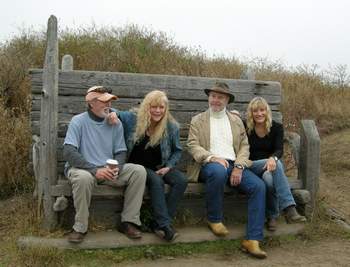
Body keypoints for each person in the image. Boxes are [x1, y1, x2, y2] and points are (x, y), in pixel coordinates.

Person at [186, 82, 267, 259]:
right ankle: (214, 218)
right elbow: (192, 145)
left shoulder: (236, 121)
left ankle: (252, 240)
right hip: (208, 164)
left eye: (220, 97)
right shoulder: (198, 120)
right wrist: (212, 157)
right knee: (218, 171)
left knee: (259, 186)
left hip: (234, 165)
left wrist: (239, 166)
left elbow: (245, 147)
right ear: (209, 98)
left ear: (227, 100)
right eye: (213, 96)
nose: (216, 100)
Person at [63, 85, 147, 243]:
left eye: (110, 101)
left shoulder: (115, 122)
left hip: (108, 170)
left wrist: (117, 168)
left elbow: (121, 152)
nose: (109, 105)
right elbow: (69, 152)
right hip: (84, 170)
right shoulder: (78, 121)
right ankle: (80, 226)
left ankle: (128, 222)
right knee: (82, 178)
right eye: (104, 102)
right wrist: (95, 170)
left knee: (139, 171)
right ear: (91, 103)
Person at [114, 90, 188, 242]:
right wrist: (113, 115)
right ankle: (165, 226)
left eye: (161, 107)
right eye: (153, 107)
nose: (158, 111)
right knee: (156, 181)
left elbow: (177, 151)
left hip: (160, 166)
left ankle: (158, 221)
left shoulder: (171, 126)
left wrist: (168, 166)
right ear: (146, 107)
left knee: (181, 180)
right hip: (137, 168)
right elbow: (114, 111)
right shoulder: (133, 119)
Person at [245, 96, 306, 231]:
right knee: (276, 165)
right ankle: (289, 209)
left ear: (267, 111)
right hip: (252, 166)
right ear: (251, 113)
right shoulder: (246, 127)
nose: (259, 114)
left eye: (262, 110)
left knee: (269, 179)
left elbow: (279, 149)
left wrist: (273, 158)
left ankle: (272, 216)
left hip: (270, 168)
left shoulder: (276, 127)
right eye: (255, 111)